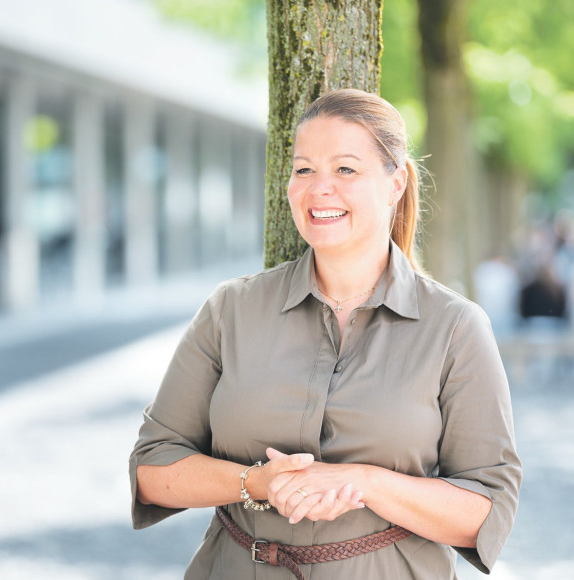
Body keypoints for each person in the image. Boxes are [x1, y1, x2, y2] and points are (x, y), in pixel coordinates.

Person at [129, 89, 521, 579]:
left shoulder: (455, 327)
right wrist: (258, 482)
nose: (319, 189)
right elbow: (152, 471)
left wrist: (363, 481)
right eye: (304, 169)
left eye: (346, 169)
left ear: (395, 182)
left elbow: (486, 511)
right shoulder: (230, 309)